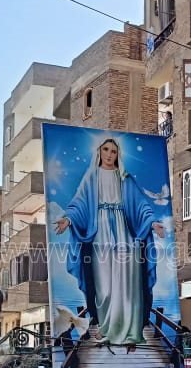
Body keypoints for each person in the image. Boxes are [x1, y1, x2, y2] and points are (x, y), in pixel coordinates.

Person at [53, 136, 165, 347]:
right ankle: (106, 329)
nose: (109, 154)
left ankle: (129, 331)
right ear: (99, 151)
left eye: (113, 151)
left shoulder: (125, 178)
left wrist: (152, 223)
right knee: (104, 288)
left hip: (125, 234)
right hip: (100, 234)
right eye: (105, 149)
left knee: (127, 284)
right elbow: (79, 204)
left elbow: (141, 205)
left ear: (118, 154)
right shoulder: (91, 177)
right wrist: (68, 219)